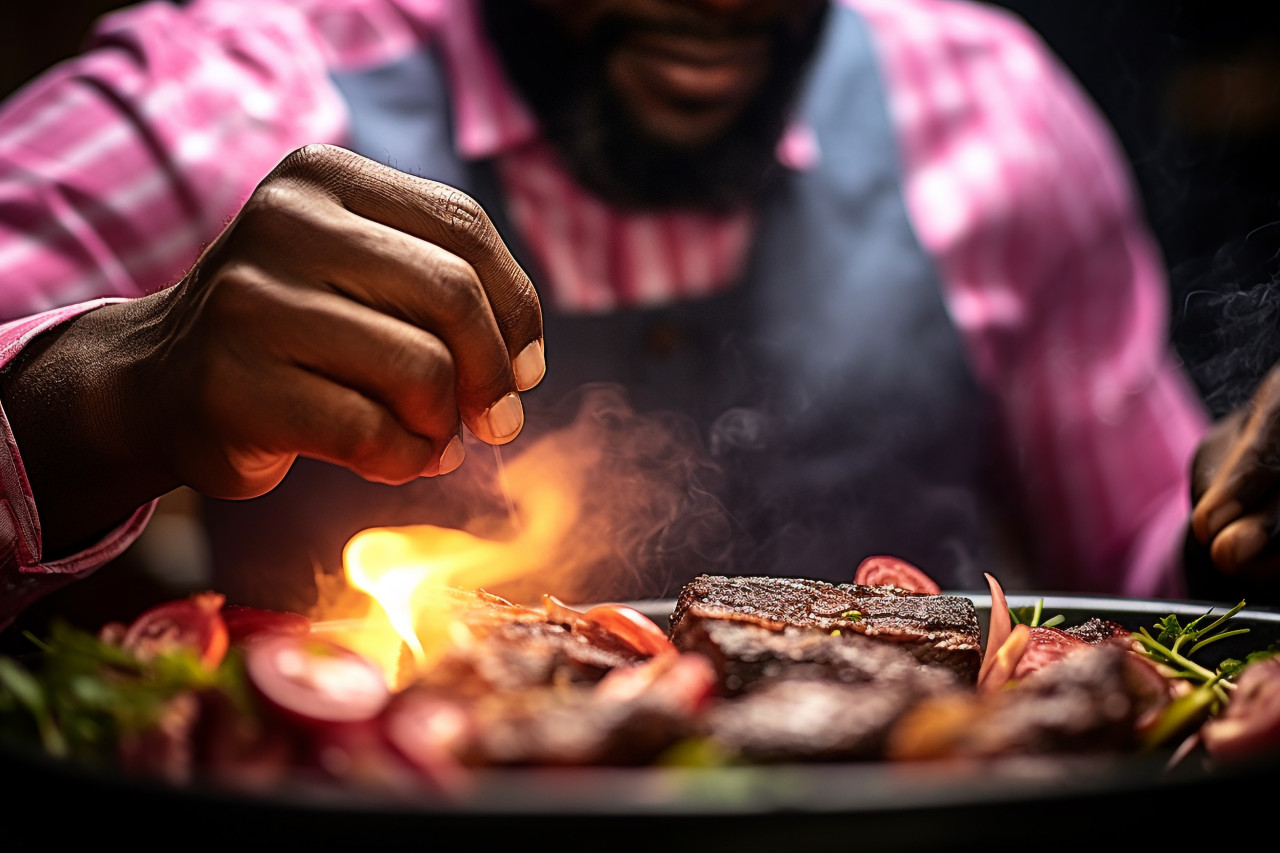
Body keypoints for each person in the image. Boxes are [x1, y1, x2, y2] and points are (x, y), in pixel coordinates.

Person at [0, 0, 1270, 626]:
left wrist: (1236, 527)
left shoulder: (990, 108)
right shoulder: (236, 86)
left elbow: (1148, 589)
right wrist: (109, 392)